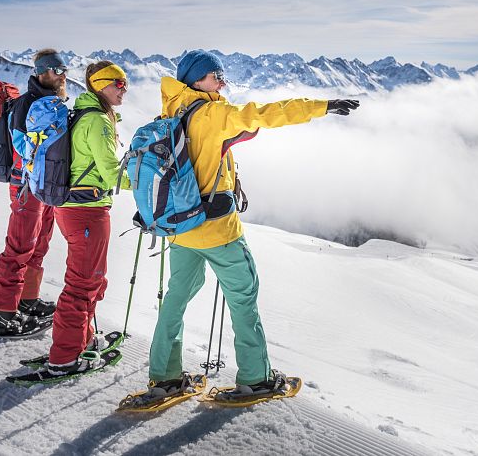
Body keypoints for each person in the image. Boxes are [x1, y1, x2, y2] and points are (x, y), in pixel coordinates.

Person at [139, 49, 359, 401]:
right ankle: (256, 379)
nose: (223, 83)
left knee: (176, 299)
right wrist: (322, 106)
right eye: (216, 76)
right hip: (218, 231)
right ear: (197, 79)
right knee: (243, 299)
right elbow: (265, 114)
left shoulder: (171, 110)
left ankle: (164, 376)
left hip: (180, 228)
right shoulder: (213, 113)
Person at [38, 61, 131, 376]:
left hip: (73, 208)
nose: (124, 88)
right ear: (101, 84)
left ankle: (83, 339)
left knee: (91, 278)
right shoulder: (98, 121)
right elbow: (112, 174)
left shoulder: (85, 113)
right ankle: (65, 356)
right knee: (82, 284)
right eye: (119, 82)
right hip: (87, 211)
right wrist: (150, 178)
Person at [0, 48, 68, 334]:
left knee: (39, 244)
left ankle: (27, 300)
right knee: (19, 247)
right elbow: (22, 147)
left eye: (64, 70)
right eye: (57, 70)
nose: (63, 75)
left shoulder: (51, 100)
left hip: (43, 186)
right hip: (25, 186)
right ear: (43, 72)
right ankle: (3, 312)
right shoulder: (26, 104)